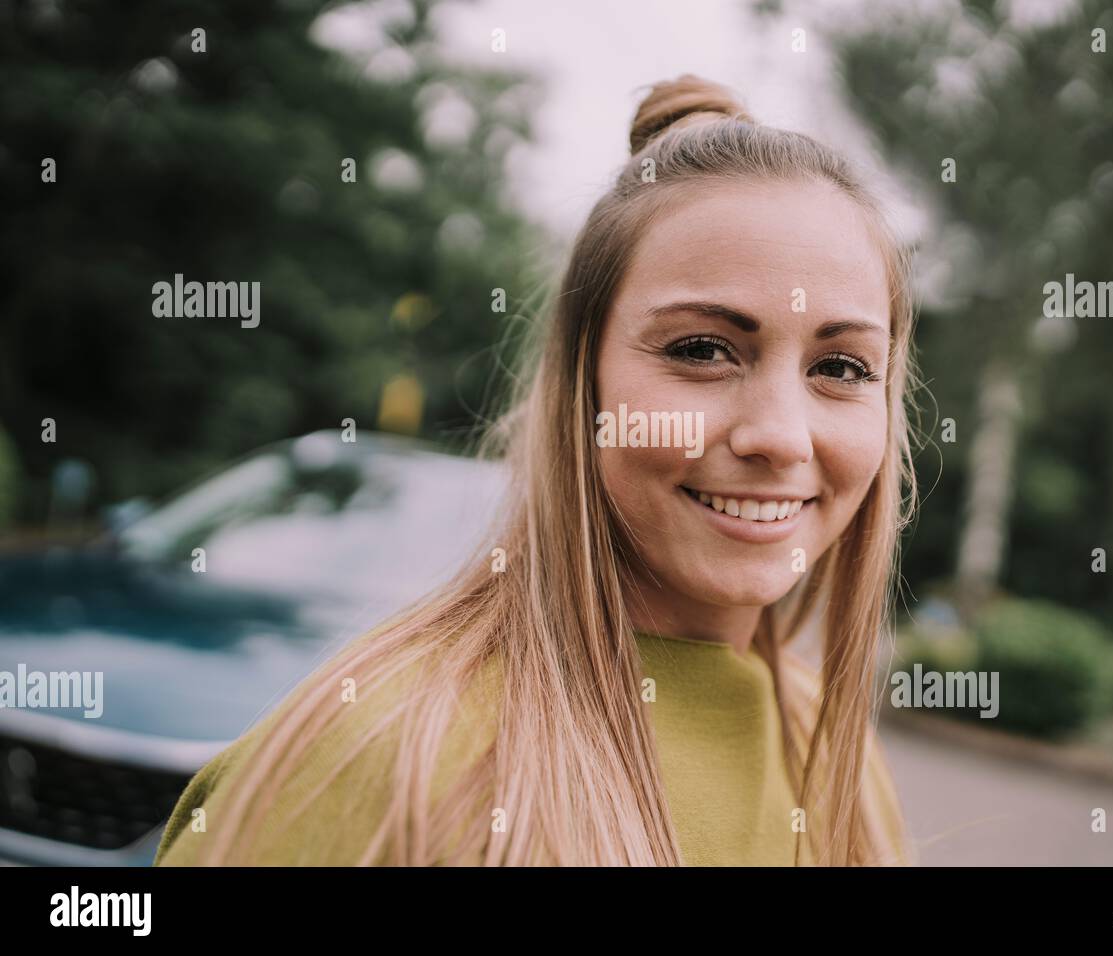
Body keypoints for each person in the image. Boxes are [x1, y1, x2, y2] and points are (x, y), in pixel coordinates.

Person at [154, 73, 918, 867]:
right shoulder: (378, 758)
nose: (782, 438)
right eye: (701, 350)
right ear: (577, 384)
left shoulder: (840, 762)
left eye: (843, 366)